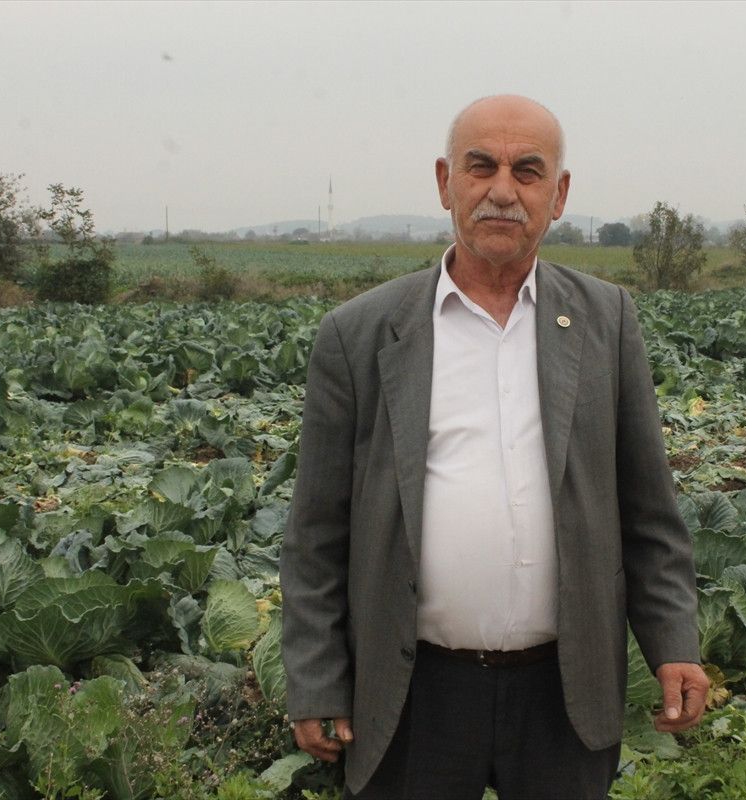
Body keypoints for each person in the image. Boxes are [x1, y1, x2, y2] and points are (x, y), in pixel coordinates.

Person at [280, 94, 707, 800]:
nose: (502, 191)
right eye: (481, 167)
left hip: (564, 691)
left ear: (558, 195)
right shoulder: (359, 333)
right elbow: (316, 534)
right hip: (412, 692)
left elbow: (649, 514)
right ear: (445, 181)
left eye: (527, 171)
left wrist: (673, 645)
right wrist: (318, 678)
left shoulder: (606, 320)